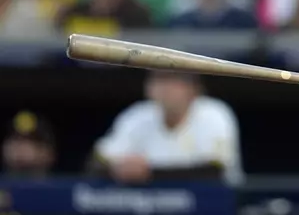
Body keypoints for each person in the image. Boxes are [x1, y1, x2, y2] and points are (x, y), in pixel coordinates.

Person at [89, 72, 243, 186]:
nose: (166, 87)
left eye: (174, 80)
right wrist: (116, 168)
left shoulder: (214, 113)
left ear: (194, 88)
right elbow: (95, 163)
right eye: (160, 79)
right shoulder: (137, 115)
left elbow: (213, 172)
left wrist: (149, 173)